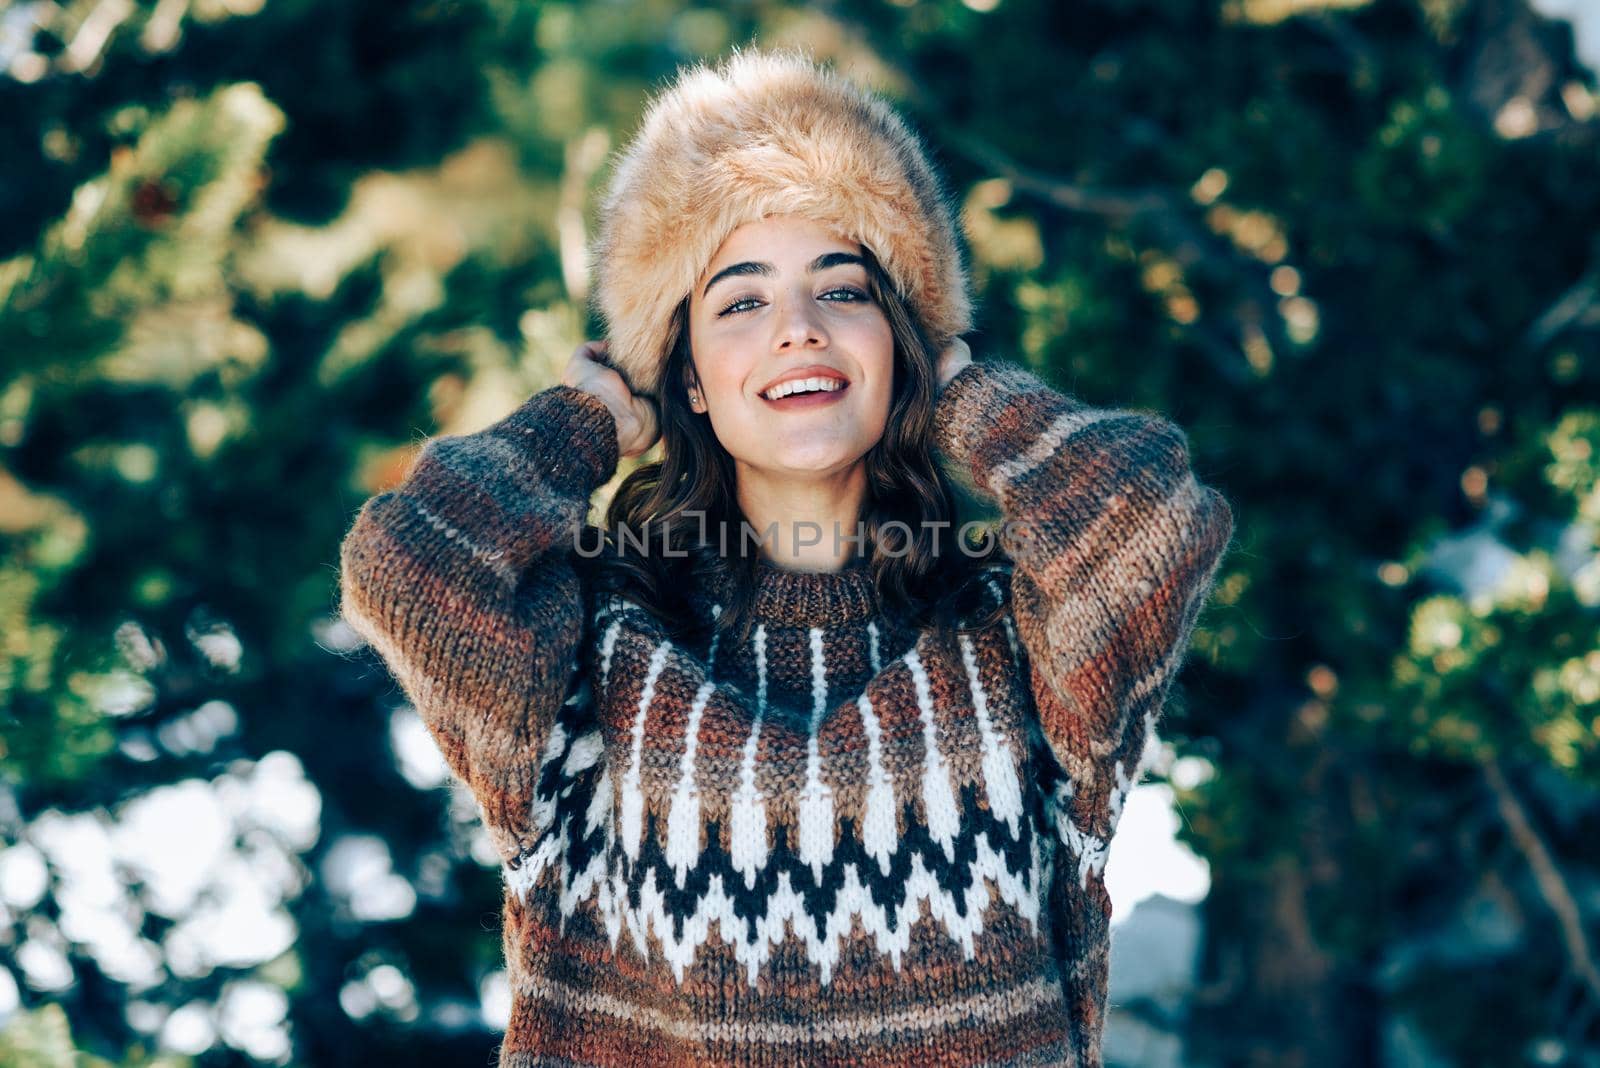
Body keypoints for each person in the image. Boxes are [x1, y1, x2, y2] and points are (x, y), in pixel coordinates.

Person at [337, 44, 1235, 1068]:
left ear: (903, 341)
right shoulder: (592, 655)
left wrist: (959, 389)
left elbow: (1148, 516)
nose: (798, 330)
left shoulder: (1018, 647)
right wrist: (584, 416)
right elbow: (408, 570)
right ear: (685, 380)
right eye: (739, 302)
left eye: (845, 291)